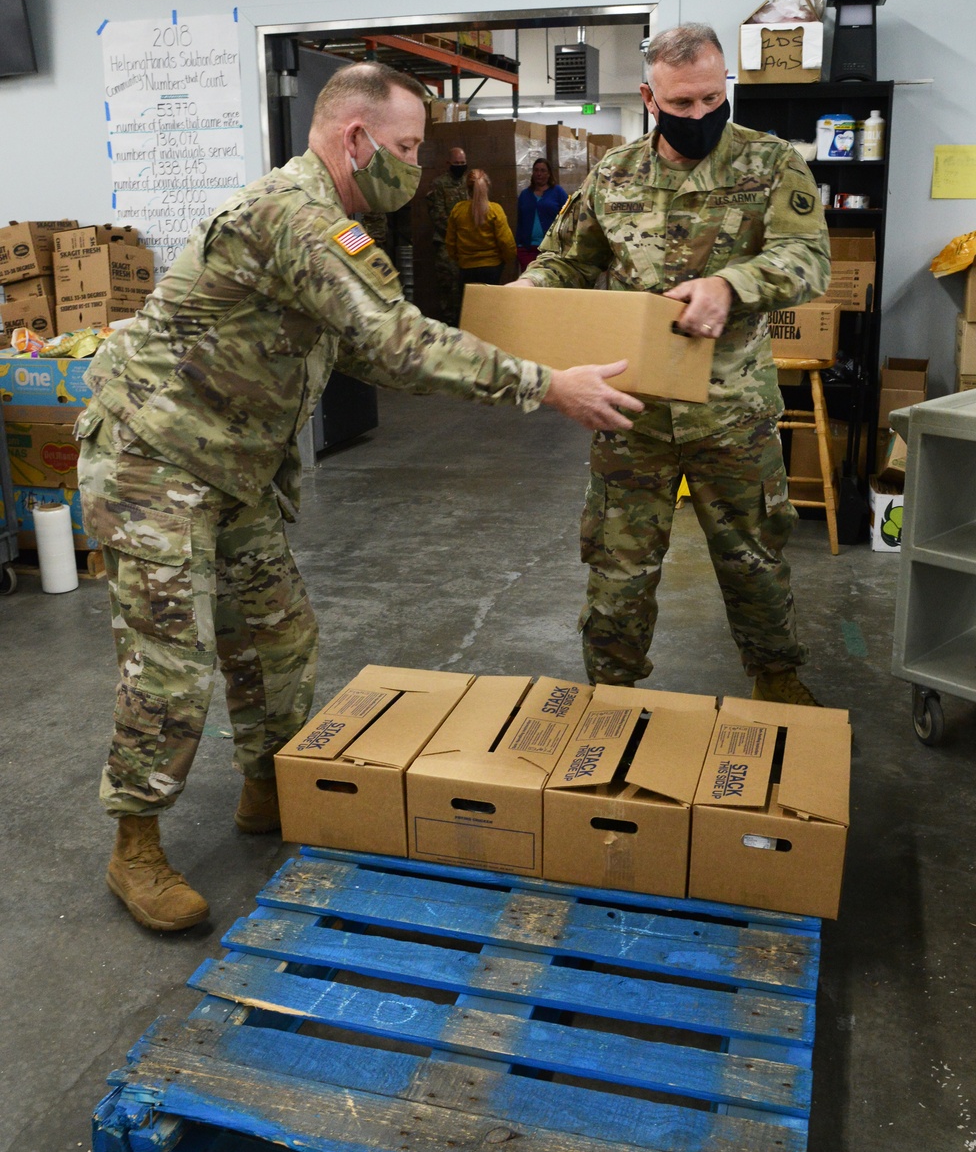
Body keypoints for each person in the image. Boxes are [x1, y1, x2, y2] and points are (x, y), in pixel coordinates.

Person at [77, 61, 640, 934]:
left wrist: (514, 363)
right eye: (407, 147)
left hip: (235, 465)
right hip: (156, 458)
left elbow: (368, 353)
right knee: (171, 665)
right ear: (355, 138)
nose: (416, 167)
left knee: (276, 632)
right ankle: (136, 845)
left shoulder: (328, 223)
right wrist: (543, 384)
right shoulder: (295, 219)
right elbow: (397, 340)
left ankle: (269, 789)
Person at [514, 22, 831, 704]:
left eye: (712, 100)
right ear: (649, 96)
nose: (700, 116)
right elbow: (568, 257)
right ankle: (612, 691)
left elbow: (808, 260)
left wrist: (732, 284)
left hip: (732, 414)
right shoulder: (615, 173)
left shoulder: (773, 164)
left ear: (727, 87)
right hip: (633, 412)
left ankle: (776, 676)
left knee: (753, 559)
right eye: (682, 104)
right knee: (618, 567)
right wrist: (526, 293)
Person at [445, 168, 517, 287]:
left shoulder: (458, 210)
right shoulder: (495, 210)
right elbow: (506, 241)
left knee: (470, 304)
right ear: (487, 186)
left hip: (466, 267)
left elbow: (450, 242)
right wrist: (508, 259)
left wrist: (459, 259)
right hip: (492, 267)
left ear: (467, 189)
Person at [426, 144, 467, 323]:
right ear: (448, 163)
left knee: (467, 289)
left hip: (468, 245)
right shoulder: (439, 184)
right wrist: (458, 233)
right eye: (456, 162)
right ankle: (451, 325)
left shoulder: (469, 182)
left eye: (463, 162)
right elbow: (438, 215)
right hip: (447, 245)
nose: (460, 165)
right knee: (450, 288)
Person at [515, 157, 567, 272]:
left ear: (549, 174)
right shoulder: (525, 195)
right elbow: (520, 221)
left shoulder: (558, 192)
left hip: (550, 250)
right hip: (527, 250)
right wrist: (518, 246)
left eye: (543, 171)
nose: (539, 174)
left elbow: (568, 218)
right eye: (536, 170)